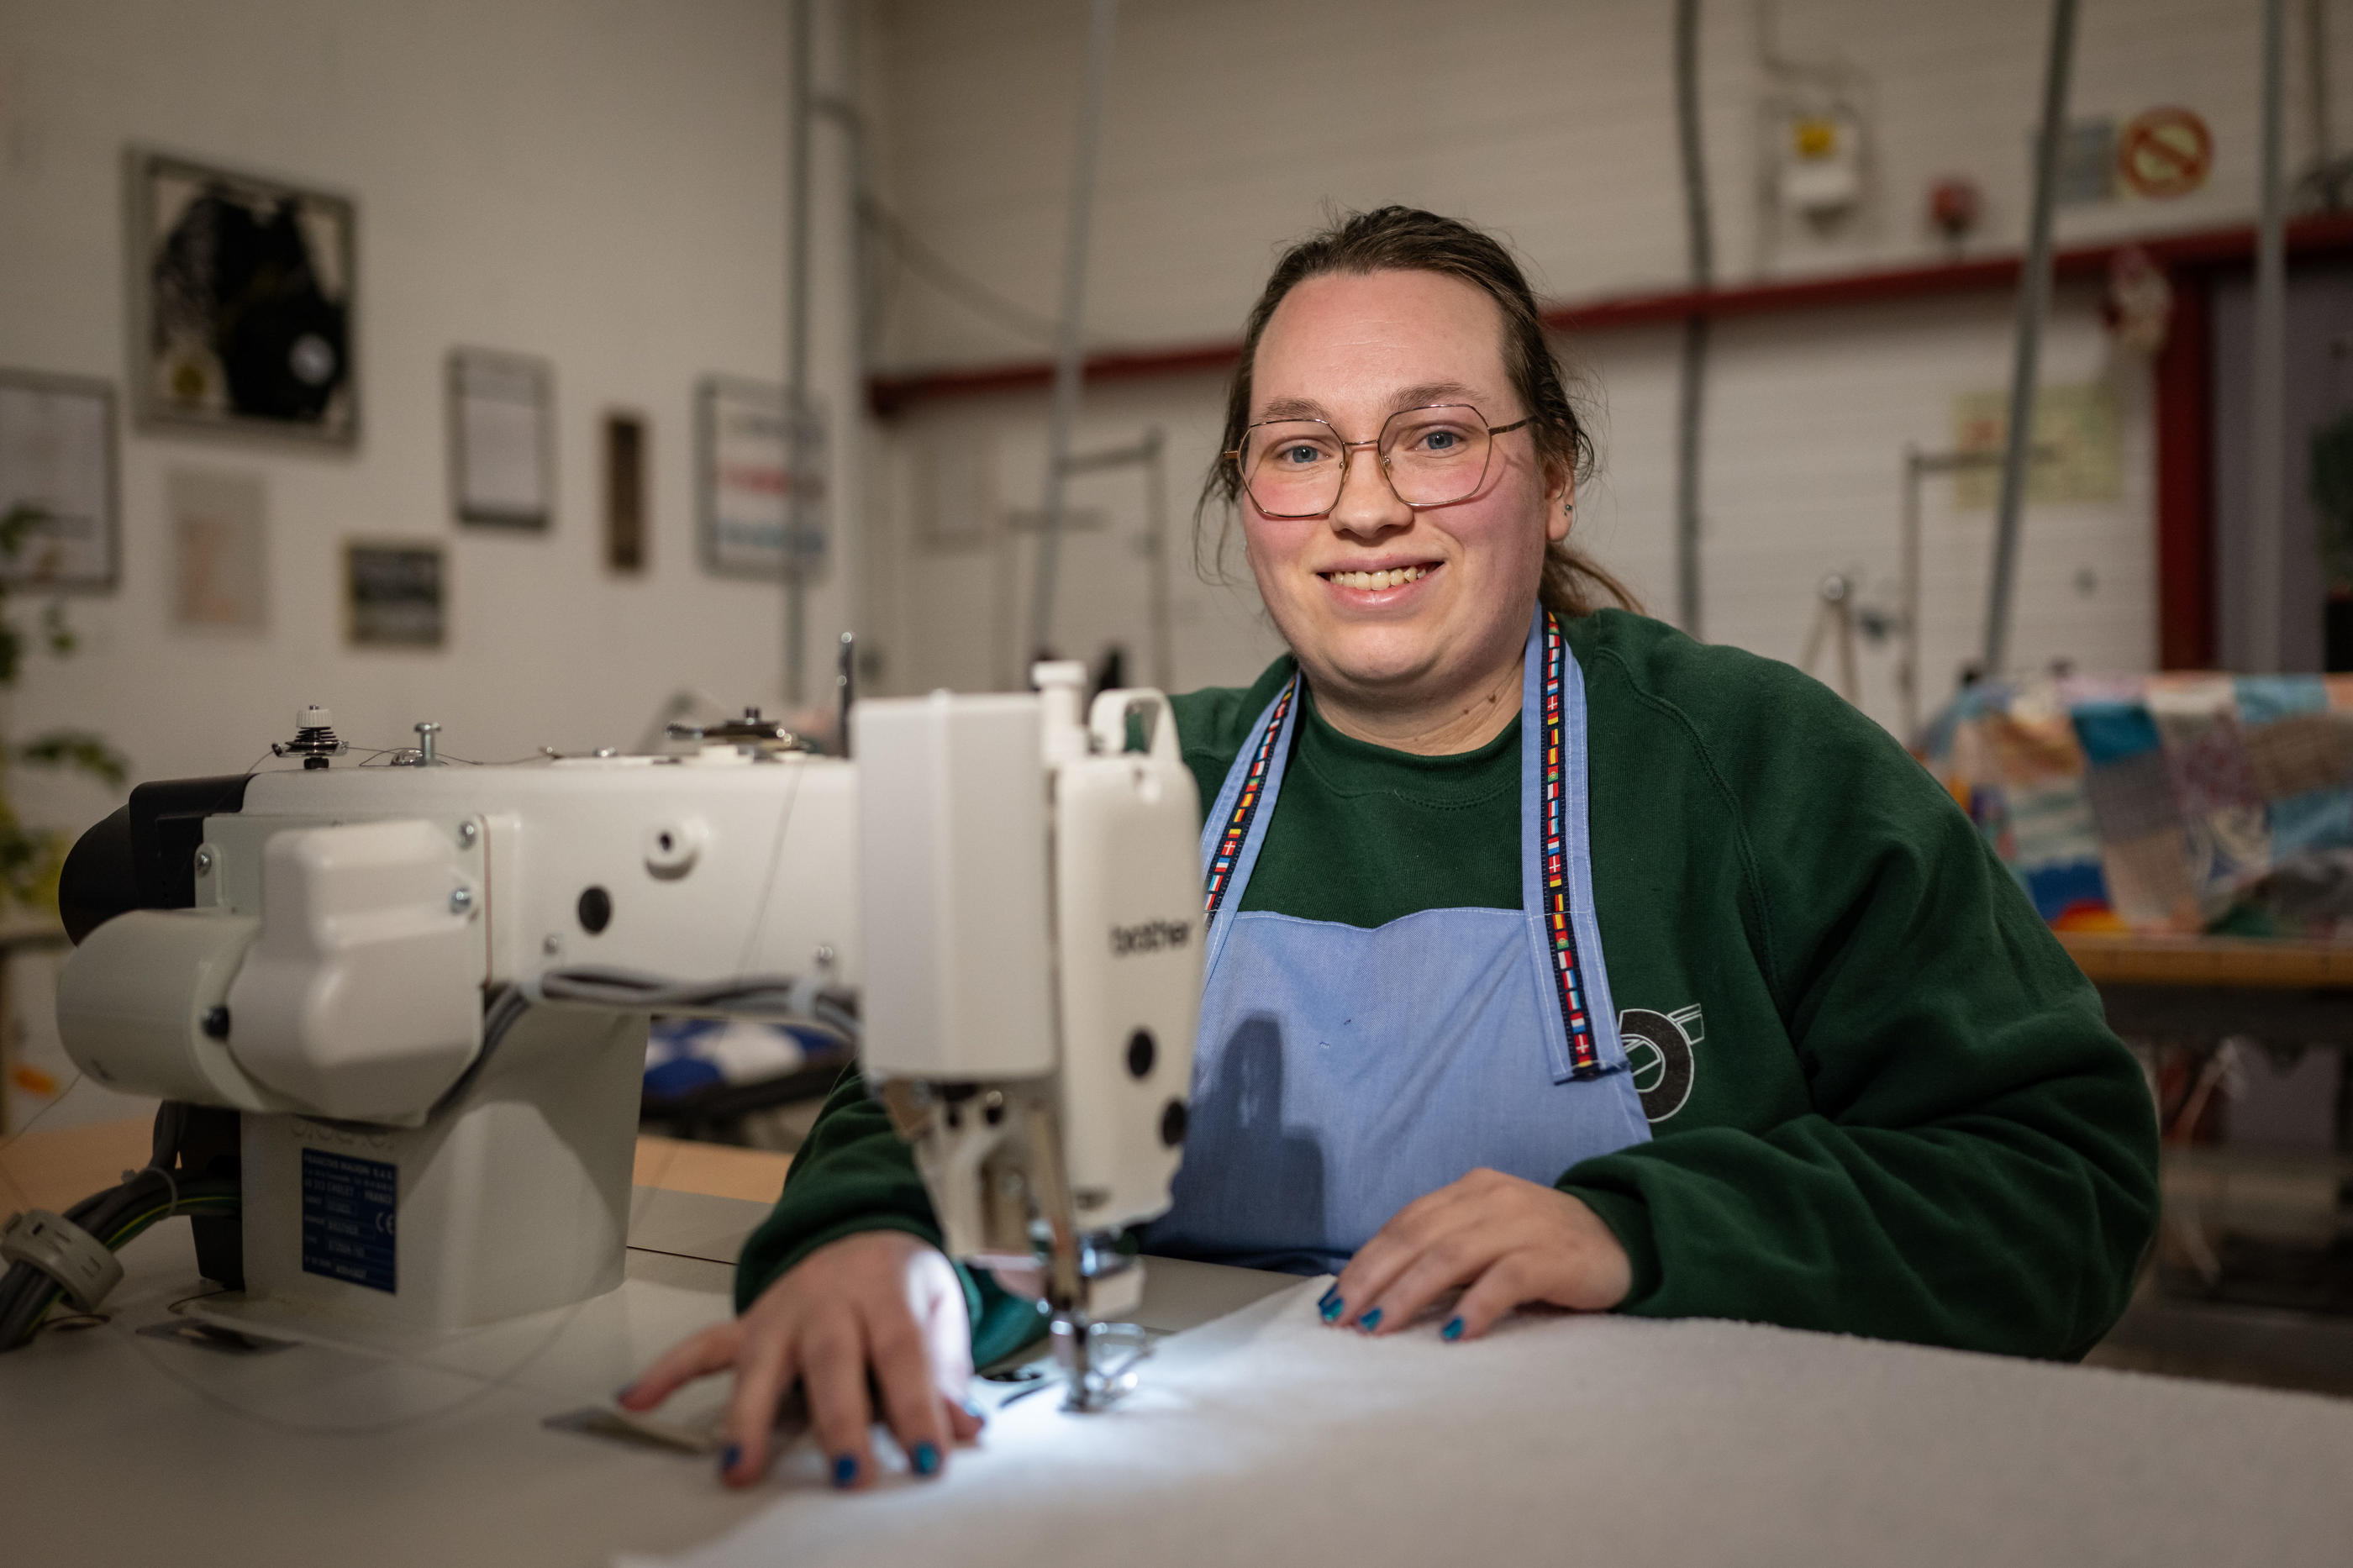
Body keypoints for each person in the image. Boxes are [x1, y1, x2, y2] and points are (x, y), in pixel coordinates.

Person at [620, 207, 2159, 1491]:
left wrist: (1647, 1229)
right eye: (1300, 451)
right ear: (1250, 501)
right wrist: (875, 1243)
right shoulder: (1144, 780)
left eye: (1433, 437)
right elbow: (918, 1101)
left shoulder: (1757, 768)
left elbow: (2057, 1181)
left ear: (1554, 479)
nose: (1363, 508)